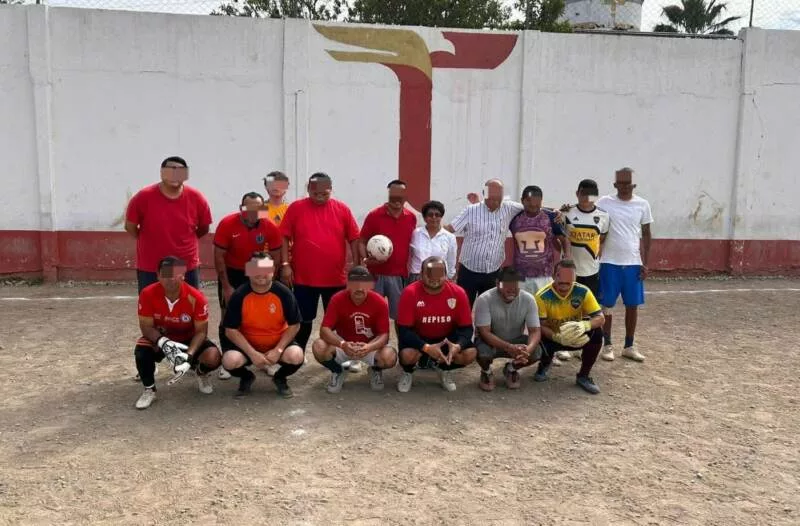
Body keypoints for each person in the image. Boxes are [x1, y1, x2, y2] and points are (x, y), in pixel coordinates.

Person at [279, 173, 363, 353]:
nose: (319, 197)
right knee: (303, 320)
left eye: (324, 194)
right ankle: (298, 353)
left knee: (339, 320)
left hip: (335, 278)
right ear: (308, 189)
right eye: (315, 193)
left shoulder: (342, 209)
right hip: (303, 278)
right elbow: (283, 237)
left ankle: (341, 354)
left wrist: (357, 266)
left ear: (331, 190)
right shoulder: (296, 208)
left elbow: (354, 238)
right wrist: (285, 265)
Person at [133, 257, 222, 409]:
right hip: (161, 338)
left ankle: (200, 372)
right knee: (141, 351)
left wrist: (189, 355)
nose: (171, 279)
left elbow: (201, 332)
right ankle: (149, 389)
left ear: (183, 275)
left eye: (175, 274)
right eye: (166, 274)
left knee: (213, 357)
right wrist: (163, 342)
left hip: (188, 339)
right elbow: (146, 327)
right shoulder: (147, 294)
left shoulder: (197, 298)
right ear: (158, 275)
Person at [213, 192, 284, 379]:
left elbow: (276, 256)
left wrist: (271, 281)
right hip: (233, 272)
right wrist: (226, 286)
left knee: (263, 316)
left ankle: (266, 359)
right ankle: (228, 358)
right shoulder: (227, 224)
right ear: (241, 208)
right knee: (228, 316)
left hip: (257, 270)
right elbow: (218, 257)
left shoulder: (269, 226)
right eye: (249, 208)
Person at [221, 253, 305, 398]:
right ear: (248, 271)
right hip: (248, 345)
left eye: (265, 269)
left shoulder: (284, 293)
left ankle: (280, 378)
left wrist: (278, 350)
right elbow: (230, 330)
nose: (260, 274)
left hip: (277, 343)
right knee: (229, 361)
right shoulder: (239, 295)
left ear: (272, 271)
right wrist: (252, 353)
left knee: (296, 356)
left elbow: (295, 325)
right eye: (255, 269)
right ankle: (247, 377)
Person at [125, 156, 212, 293]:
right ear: (161, 173)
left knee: (189, 303)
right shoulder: (143, 197)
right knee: (151, 303)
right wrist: (149, 240)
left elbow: (204, 228)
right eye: (170, 170)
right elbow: (130, 226)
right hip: (152, 266)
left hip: (185, 265)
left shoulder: (196, 198)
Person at [395, 257, 477, 393]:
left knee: (470, 354)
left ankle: (444, 369)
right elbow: (404, 330)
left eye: (439, 273)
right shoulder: (410, 292)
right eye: (429, 273)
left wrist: (457, 346)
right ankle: (408, 372)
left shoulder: (458, 293)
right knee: (407, 355)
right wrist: (426, 348)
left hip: (446, 339)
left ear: (445, 275)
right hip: (420, 338)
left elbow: (467, 328)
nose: (435, 278)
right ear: (421, 274)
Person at [596, 168, 653, 362]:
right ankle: (607, 345)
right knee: (607, 306)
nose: (624, 187)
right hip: (608, 262)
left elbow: (646, 233)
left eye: (628, 184)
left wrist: (646, 263)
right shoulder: (604, 202)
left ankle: (629, 345)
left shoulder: (642, 204)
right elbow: (588, 213)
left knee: (632, 305)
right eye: (621, 184)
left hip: (633, 263)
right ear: (615, 185)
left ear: (633, 185)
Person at [312, 266, 397, 393]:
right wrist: (342, 344)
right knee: (319, 347)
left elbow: (384, 335)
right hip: (345, 345)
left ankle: (375, 370)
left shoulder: (379, 302)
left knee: (389, 357)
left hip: (368, 346)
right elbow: (324, 330)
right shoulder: (337, 299)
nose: (359, 288)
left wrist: (369, 347)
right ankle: (338, 371)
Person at [446, 179, 524, 307]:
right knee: (464, 307)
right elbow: (451, 228)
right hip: (469, 271)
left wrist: (556, 212)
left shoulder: (509, 208)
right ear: (484, 195)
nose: (496, 203)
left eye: (498, 199)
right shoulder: (471, 211)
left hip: (493, 271)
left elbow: (533, 207)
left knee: (490, 309)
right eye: (492, 199)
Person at [533, 259, 606, 394]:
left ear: (575, 278)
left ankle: (583, 375)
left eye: (568, 283)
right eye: (560, 283)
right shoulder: (542, 296)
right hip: (553, 338)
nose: (564, 287)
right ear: (554, 276)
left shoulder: (583, 291)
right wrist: (557, 337)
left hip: (576, 335)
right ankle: (544, 365)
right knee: (538, 334)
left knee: (597, 333)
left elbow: (600, 318)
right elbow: (541, 326)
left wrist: (585, 325)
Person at [557, 179, 610, 363]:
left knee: (586, 310)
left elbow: (602, 238)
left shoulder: (603, 216)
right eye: (583, 193)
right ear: (577, 193)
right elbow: (560, 236)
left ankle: (581, 344)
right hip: (570, 271)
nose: (586, 197)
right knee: (565, 308)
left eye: (590, 194)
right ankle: (564, 346)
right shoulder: (566, 213)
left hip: (592, 271)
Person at [474, 267, 542, 391]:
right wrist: (509, 347)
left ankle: (511, 369)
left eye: (515, 286)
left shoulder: (529, 299)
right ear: (497, 284)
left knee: (536, 352)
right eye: (506, 285)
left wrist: (527, 350)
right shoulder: (484, 299)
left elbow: (535, 331)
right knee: (481, 353)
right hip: (491, 342)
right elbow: (484, 332)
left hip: (516, 339)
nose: (511, 290)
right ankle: (486, 371)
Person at [360, 180, 417, 319]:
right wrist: (365, 260)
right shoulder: (374, 215)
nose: (397, 199)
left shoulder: (411, 217)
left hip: (399, 275)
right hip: (375, 275)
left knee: (400, 316)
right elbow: (362, 241)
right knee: (372, 315)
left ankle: (401, 335)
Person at [510, 185, 570, 296]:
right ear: (522, 201)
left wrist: (566, 257)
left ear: (541, 201)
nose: (533, 207)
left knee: (544, 306)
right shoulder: (513, 218)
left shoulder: (551, 217)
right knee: (522, 305)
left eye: (537, 204)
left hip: (545, 275)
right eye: (529, 203)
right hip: (520, 276)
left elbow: (564, 239)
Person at [408, 200, 457, 282]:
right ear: (425, 218)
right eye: (430, 215)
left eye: (437, 215)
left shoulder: (450, 237)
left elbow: (451, 261)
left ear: (441, 217)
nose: (434, 217)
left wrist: (449, 278)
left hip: (438, 277)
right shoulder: (415, 233)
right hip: (416, 277)